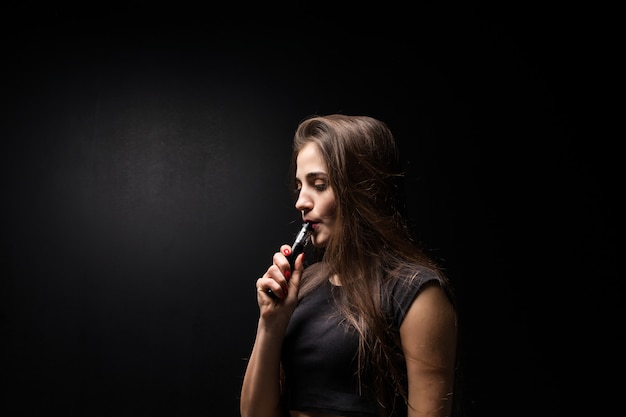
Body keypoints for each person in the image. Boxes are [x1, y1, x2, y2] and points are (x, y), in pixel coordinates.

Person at [240, 114, 458, 417]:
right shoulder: (301, 287)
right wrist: (271, 322)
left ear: (361, 189)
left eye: (319, 184)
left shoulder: (416, 292)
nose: (301, 201)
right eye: (300, 185)